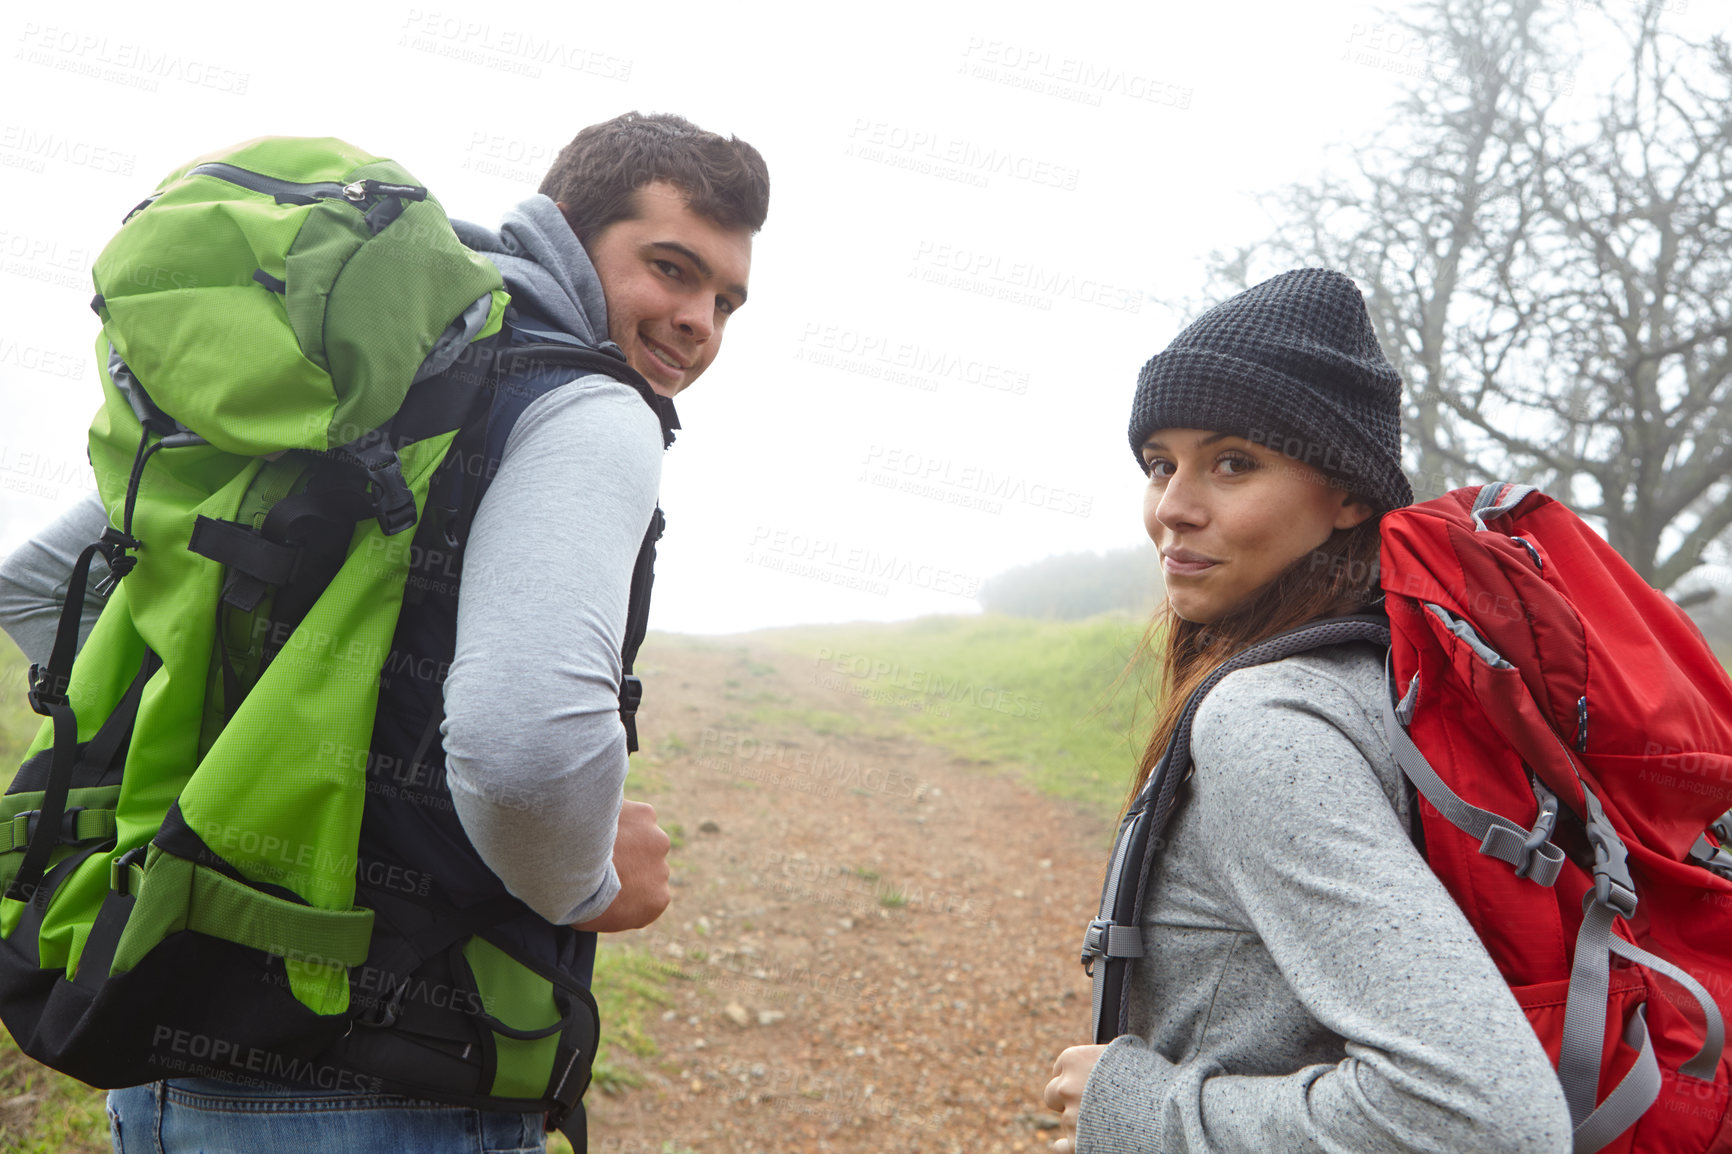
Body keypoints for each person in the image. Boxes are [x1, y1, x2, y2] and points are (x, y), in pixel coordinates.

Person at [0, 111, 767, 1153]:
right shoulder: (586, 407)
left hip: (166, 1048)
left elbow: (37, 585)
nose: (697, 321)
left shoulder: (357, 389)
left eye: (725, 300)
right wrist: (583, 879)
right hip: (395, 1077)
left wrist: (217, 771)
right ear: (567, 232)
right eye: (670, 269)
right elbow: (524, 746)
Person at [1041, 269, 1571, 1154]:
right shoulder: (1384, 679)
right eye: (1159, 465)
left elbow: (1491, 1121)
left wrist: (1136, 1109)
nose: (1173, 508)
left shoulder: (1269, 719)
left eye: (1233, 463)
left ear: (1350, 495)